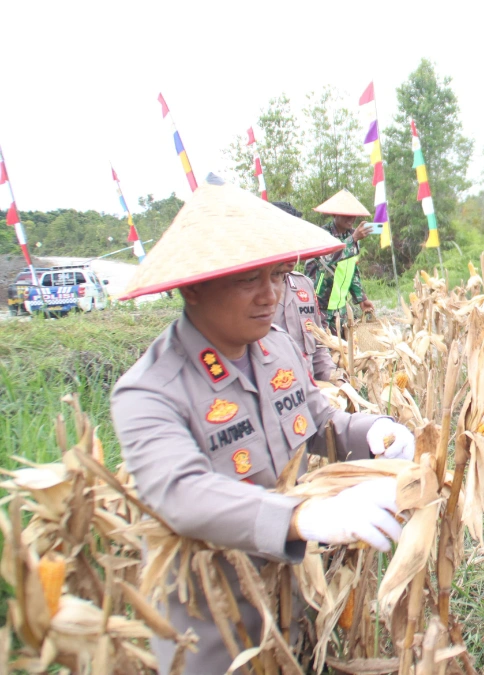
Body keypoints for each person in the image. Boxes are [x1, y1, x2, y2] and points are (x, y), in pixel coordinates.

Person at [110, 183, 416, 674]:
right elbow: (183, 493)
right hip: (216, 625)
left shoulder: (277, 349)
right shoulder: (150, 392)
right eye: (249, 278)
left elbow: (320, 423)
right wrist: (301, 517)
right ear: (193, 287)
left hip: (295, 600)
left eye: (276, 275)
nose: (271, 295)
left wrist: (374, 430)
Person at [271, 201, 341, 382]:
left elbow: (318, 346)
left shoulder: (304, 286)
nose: (293, 250)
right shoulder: (253, 294)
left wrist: (336, 379)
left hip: (312, 391)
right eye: (285, 241)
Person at [304, 189, 377, 329]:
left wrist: (361, 298)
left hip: (339, 305)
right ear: (334, 214)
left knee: (343, 341)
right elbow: (327, 258)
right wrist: (353, 239)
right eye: (346, 215)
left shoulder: (351, 236)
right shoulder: (322, 234)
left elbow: (352, 269)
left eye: (353, 215)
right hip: (320, 305)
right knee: (323, 342)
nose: (351, 219)